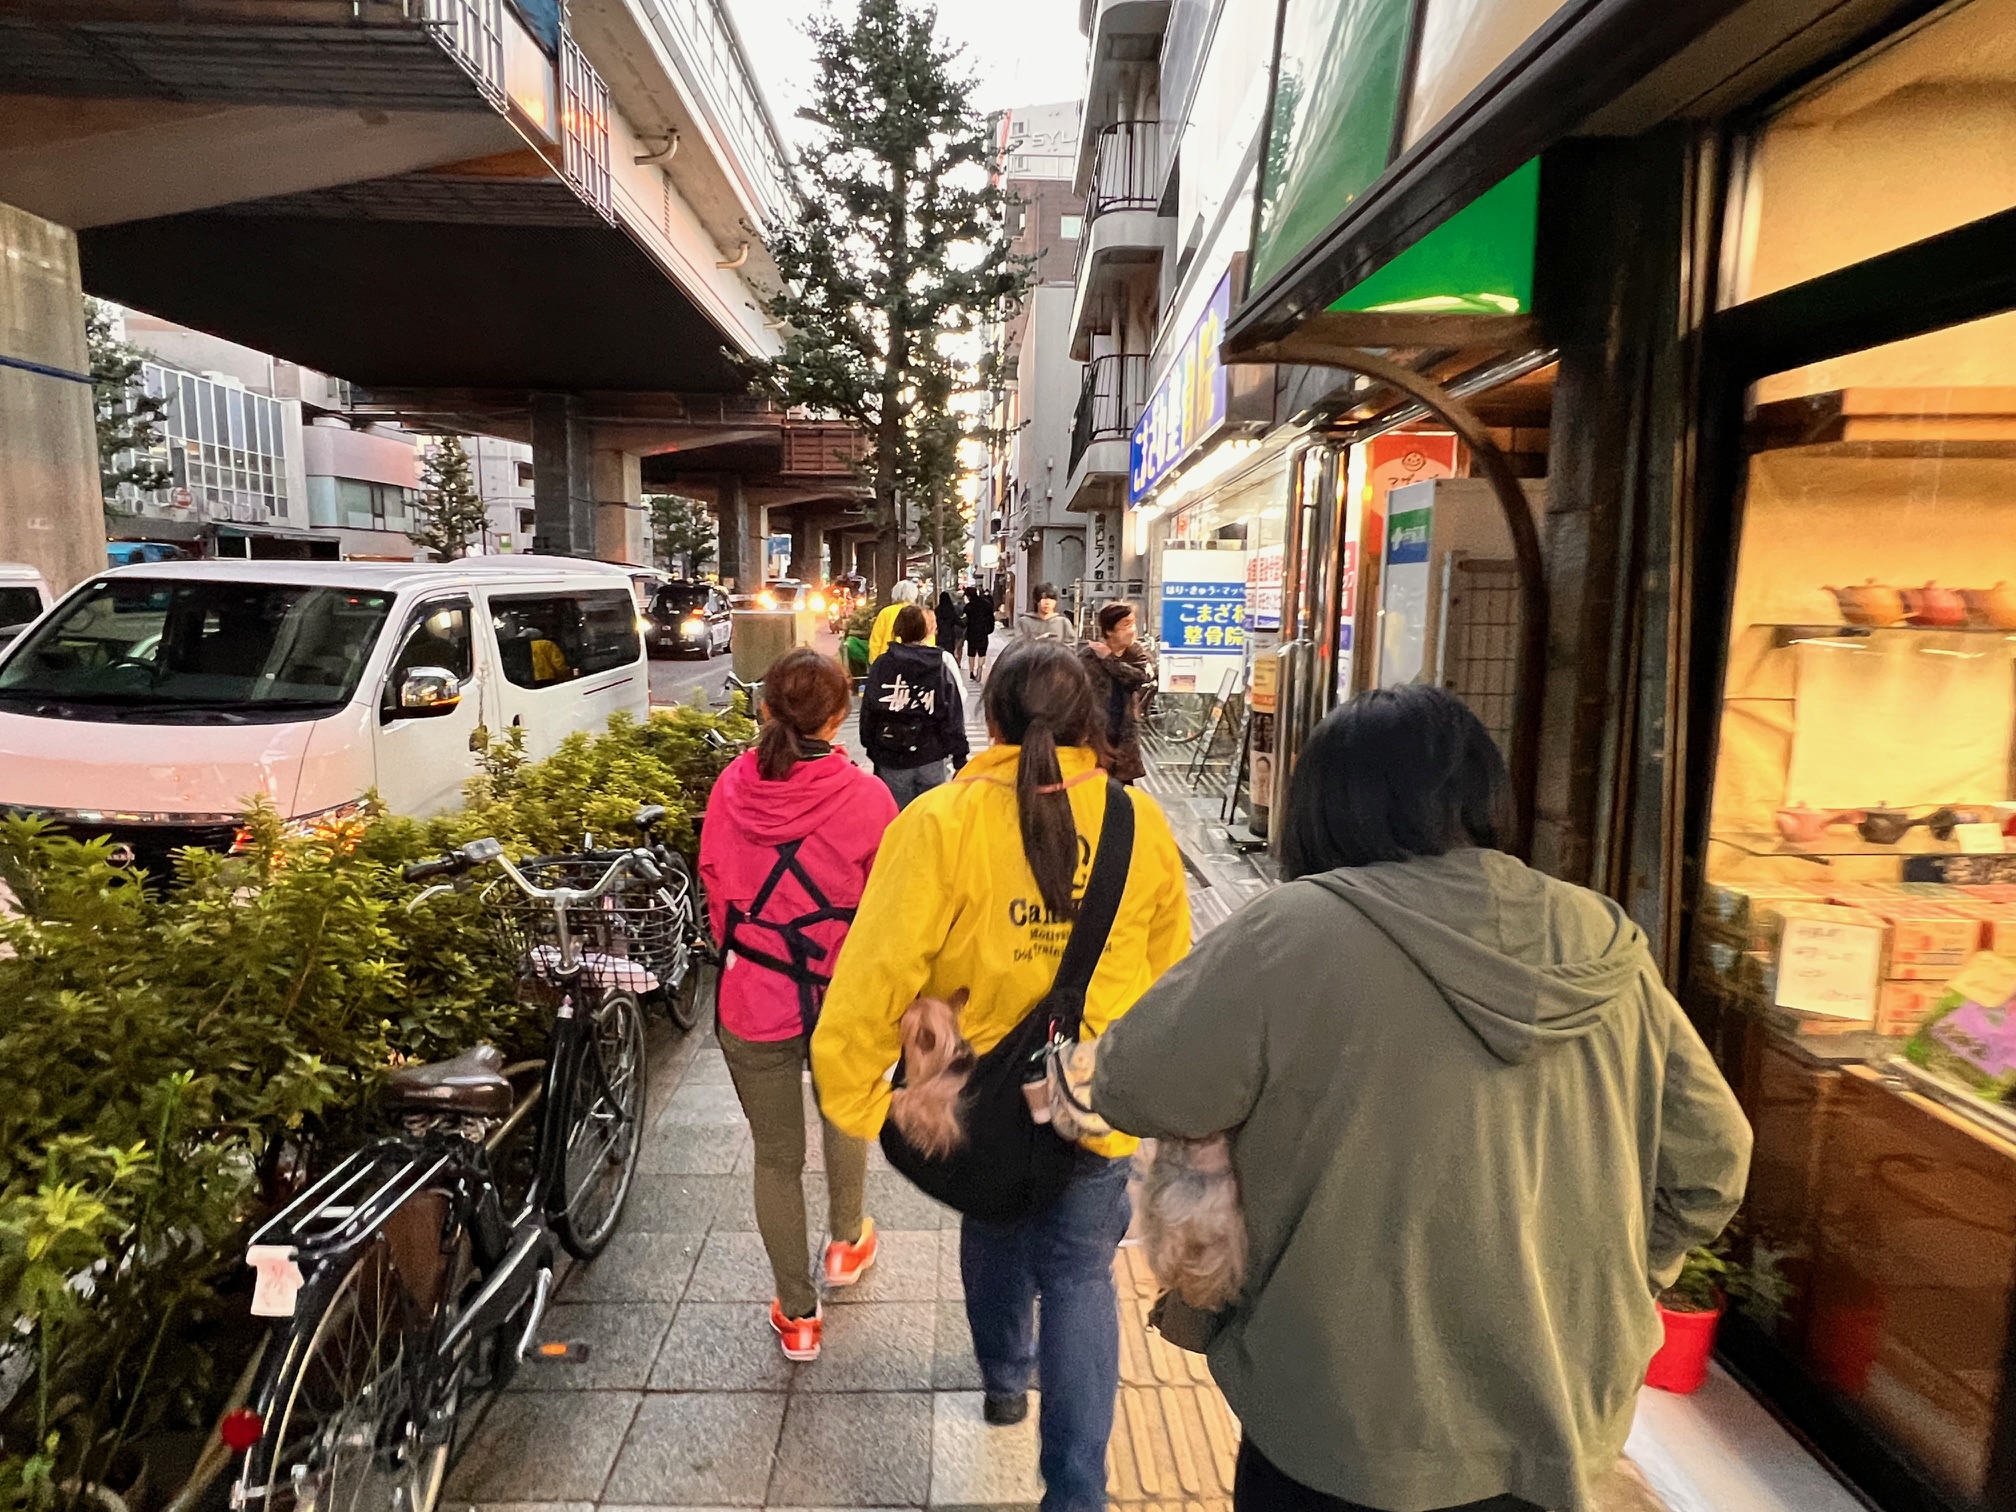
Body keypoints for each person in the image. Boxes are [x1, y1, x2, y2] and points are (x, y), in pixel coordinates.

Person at [1090, 685, 1752, 1512]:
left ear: (1324, 806)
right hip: (1558, 1433)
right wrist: (1606, 1280)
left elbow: (1130, 1084)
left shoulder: (1294, 932)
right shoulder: (1600, 938)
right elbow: (1714, 1161)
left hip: (1335, 1430)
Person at [814, 641, 1191, 1512]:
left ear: (992, 718)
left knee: (992, 1230)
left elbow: (875, 971)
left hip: (981, 1094)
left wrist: (860, 1098)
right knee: (1080, 1276)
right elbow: (1171, 973)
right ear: (1090, 720)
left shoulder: (941, 822)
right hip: (1095, 1094)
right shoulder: (1139, 823)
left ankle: (1004, 1379)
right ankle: (1077, 1493)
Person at [699, 648, 900, 1363]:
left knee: (776, 1158)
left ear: (764, 708)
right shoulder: (869, 799)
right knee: (846, 1112)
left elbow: (716, 890)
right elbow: (887, 908)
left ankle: (798, 1313)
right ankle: (847, 1242)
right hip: (842, 993)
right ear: (840, 716)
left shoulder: (730, 789)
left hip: (753, 996)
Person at [861, 603, 970, 808]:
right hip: (931, 754)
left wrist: (872, 747)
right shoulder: (939, 664)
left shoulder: (883, 664)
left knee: (899, 817)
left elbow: (870, 709)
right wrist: (959, 757)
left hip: (892, 756)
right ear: (927, 631)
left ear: (898, 630)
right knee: (931, 816)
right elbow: (953, 713)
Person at [1079, 601, 1153, 786]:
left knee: (1124, 785)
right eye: (1126, 625)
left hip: (1124, 730)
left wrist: (1109, 658)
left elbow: (1139, 678)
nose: (1132, 630)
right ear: (1109, 630)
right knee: (1094, 782)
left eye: (1133, 623)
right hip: (1096, 731)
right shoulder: (1088, 657)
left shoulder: (1135, 653)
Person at [868, 578, 921, 665]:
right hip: (913, 662)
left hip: (886, 662)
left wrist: (875, 663)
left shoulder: (886, 612)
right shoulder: (919, 614)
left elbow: (876, 640)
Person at [963, 584, 995, 679]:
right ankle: (980, 668)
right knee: (982, 652)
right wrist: (989, 629)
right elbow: (991, 618)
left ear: (968, 596)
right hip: (983, 632)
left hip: (971, 632)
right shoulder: (986, 604)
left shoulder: (968, 607)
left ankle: (971, 672)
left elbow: (965, 620)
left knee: (971, 653)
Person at [934, 587, 966, 657]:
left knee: (940, 652)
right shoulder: (951, 610)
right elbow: (958, 621)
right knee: (949, 653)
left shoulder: (937, 610)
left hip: (940, 634)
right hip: (950, 634)